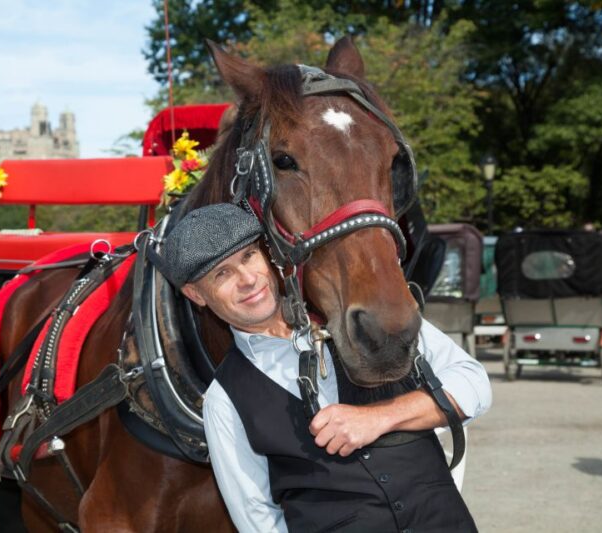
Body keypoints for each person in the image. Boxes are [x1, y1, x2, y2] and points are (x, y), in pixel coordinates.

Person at [158, 203, 492, 533]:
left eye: (248, 256)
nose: (247, 279)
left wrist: (379, 418)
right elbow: (257, 518)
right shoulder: (224, 401)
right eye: (223, 273)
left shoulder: (365, 314)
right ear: (196, 294)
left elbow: (475, 384)